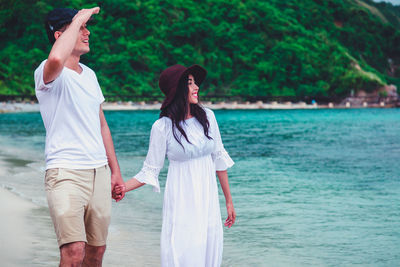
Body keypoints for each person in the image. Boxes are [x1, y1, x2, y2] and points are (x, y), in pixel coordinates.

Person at [115, 64, 236, 266]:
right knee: (185, 251)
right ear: (177, 89)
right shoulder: (162, 127)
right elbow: (150, 170)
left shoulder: (208, 117)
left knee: (209, 249)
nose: (196, 87)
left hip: (208, 201)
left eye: (196, 82)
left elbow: (219, 158)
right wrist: (122, 188)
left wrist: (229, 201)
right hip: (183, 201)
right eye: (190, 83)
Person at [34, 7, 125, 266]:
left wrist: (115, 172)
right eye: (82, 27)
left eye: (86, 26)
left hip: (99, 171)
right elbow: (55, 60)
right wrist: (77, 19)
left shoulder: (90, 76)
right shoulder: (47, 72)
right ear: (60, 34)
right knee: (73, 252)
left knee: (96, 253)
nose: (88, 32)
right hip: (65, 173)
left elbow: (102, 126)